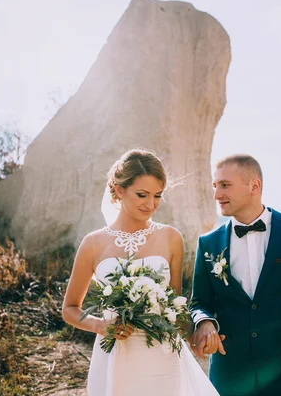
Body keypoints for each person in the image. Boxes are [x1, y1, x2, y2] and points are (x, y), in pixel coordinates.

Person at [62, 149, 219, 396]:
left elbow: (175, 307)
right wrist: (101, 326)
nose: (151, 204)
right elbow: (70, 309)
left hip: (164, 356)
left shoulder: (171, 237)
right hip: (116, 356)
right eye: (142, 195)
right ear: (118, 190)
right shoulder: (93, 243)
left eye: (158, 195)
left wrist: (197, 335)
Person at [190, 154, 281, 396]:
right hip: (229, 375)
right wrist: (204, 321)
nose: (216, 194)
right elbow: (199, 302)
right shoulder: (208, 243)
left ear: (254, 186)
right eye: (215, 186)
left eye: (225, 185)